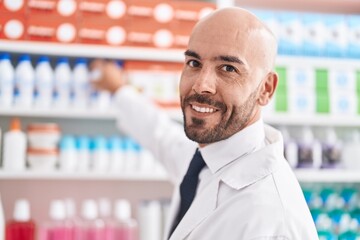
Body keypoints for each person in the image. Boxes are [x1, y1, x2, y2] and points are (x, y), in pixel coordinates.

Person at [91, 7, 319, 240]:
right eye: (194, 63)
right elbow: (162, 138)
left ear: (266, 88)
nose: (201, 85)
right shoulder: (207, 157)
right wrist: (119, 90)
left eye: (228, 68)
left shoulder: (273, 220)